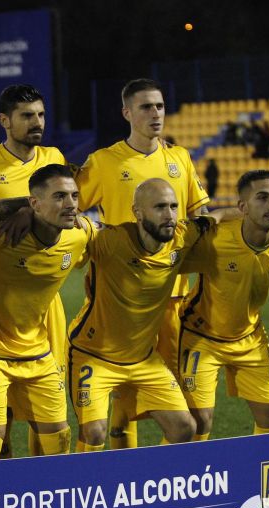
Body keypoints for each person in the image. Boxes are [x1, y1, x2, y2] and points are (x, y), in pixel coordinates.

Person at [75, 78, 210, 450]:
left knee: (184, 399)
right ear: (127, 113)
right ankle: (123, 476)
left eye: (160, 106)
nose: (155, 114)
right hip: (117, 298)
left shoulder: (180, 158)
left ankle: (175, 479)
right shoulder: (104, 162)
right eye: (147, 107)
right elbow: (69, 206)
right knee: (120, 394)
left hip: (171, 297)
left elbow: (201, 219)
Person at [0, 84, 67, 458]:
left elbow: (65, 207)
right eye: (26, 116)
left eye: (40, 114)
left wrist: (29, 211)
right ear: (5, 121)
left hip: (45, 301)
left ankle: (42, 488)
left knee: (48, 411)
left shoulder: (53, 156)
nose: (37, 122)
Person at [68, 179, 218, 450]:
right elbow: (81, 228)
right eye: (160, 207)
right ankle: (90, 488)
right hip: (94, 355)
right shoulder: (110, 240)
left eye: (173, 206)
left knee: (184, 428)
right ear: (137, 212)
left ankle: (158, 488)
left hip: (144, 360)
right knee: (94, 433)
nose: (170, 214)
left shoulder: (182, 236)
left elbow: (217, 217)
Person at [0, 164, 89, 461]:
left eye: (74, 196)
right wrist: (17, 208)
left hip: (38, 352)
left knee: (59, 439)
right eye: (59, 196)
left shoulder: (79, 236)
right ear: (34, 203)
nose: (71, 204)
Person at [178, 170, 269, 439]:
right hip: (201, 337)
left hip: (249, 337)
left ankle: (262, 477)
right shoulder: (216, 238)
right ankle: (187, 477)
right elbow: (170, 263)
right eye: (263, 198)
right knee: (198, 422)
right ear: (243, 207)